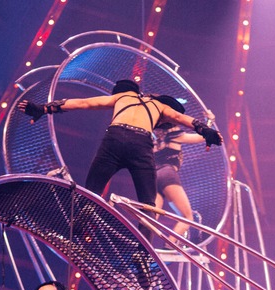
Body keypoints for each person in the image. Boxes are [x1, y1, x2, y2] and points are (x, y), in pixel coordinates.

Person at [17, 78, 222, 210]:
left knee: (91, 193)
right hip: (141, 144)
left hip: (114, 139)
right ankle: (143, 252)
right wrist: (206, 130)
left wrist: (43, 108)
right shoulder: (157, 105)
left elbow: (83, 103)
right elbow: (180, 117)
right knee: (149, 204)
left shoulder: (122, 97)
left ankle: (80, 226)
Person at [151, 95, 212, 238]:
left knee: (152, 218)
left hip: (153, 177)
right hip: (167, 174)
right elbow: (203, 136)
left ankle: (143, 248)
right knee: (187, 217)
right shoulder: (174, 134)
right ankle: (169, 247)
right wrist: (210, 120)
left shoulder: (153, 134)